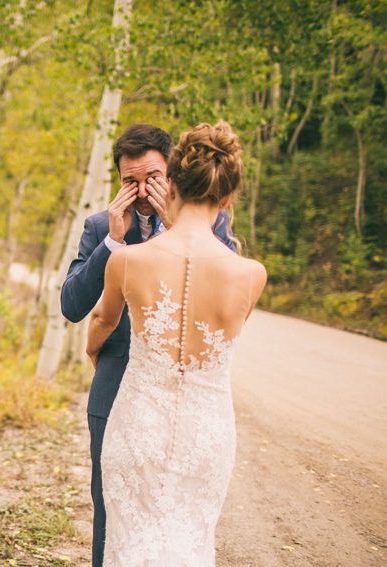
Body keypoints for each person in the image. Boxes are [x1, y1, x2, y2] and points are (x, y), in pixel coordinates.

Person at [86, 121, 267, 565]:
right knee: (190, 541)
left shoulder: (128, 261)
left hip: (138, 426)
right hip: (207, 435)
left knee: (127, 541)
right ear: (226, 197)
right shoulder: (251, 274)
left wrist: (94, 352)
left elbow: (99, 325)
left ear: (174, 183)